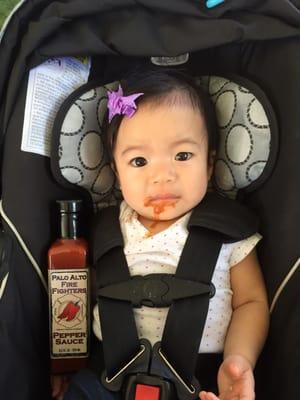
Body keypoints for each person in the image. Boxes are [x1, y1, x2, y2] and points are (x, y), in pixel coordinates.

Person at [54, 69, 269, 400]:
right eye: (139, 161)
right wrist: (65, 367)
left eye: (182, 156)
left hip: (200, 380)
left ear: (209, 165)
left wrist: (239, 360)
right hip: (107, 376)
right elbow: (81, 300)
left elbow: (251, 302)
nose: (162, 176)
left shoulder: (230, 232)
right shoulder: (105, 230)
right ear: (116, 172)